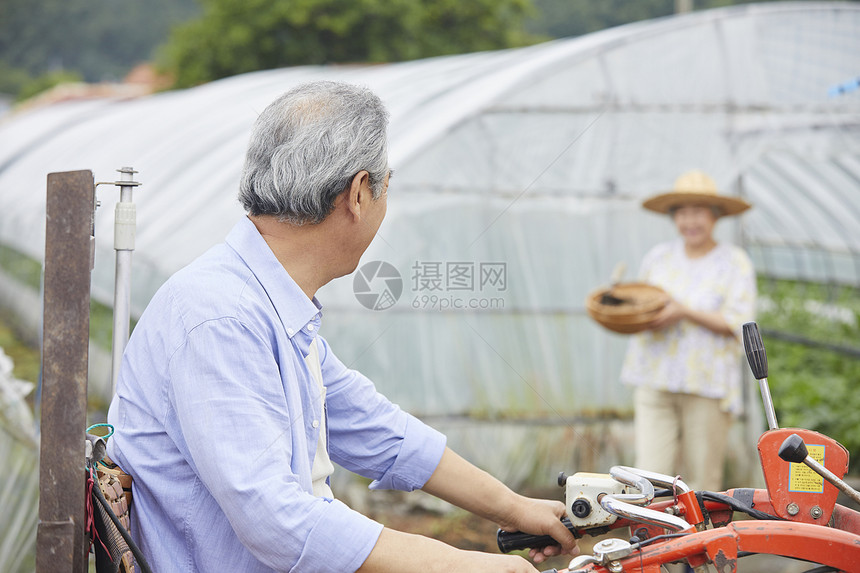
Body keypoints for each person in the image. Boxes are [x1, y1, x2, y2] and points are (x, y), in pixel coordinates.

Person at [106, 81, 577, 573]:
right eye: (385, 187)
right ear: (357, 193)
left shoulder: (271, 304)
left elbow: (372, 426)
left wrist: (514, 507)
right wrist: (466, 565)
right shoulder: (219, 316)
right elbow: (275, 520)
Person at [619, 170, 756, 492]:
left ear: (715, 216)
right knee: (648, 478)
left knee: (701, 481)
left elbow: (739, 322)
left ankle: (698, 543)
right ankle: (649, 541)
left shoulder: (734, 262)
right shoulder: (659, 258)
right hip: (656, 378)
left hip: (706, 386)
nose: (689, 221)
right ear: (673, 217)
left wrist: (683, 311)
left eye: (698, 212)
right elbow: (642, 304)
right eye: (682, 212)